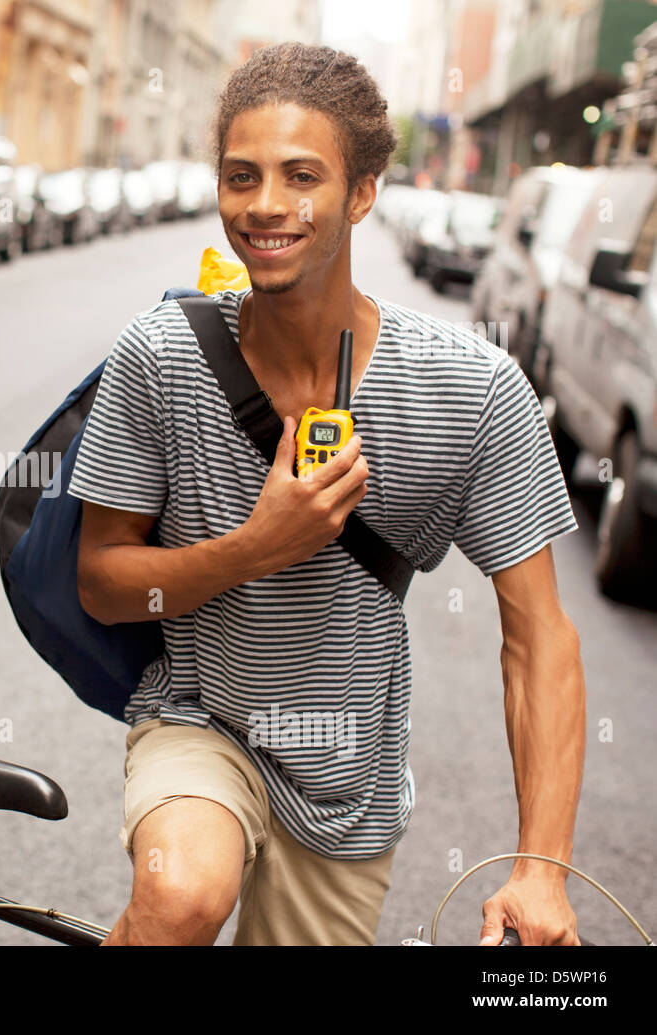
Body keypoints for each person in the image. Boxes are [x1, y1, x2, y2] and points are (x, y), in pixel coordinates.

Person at [69, 42, 585, 946]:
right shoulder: (160, 354)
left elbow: (538, 636)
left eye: (301, 176)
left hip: (349, 779)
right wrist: (256, 546)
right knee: (183, 893)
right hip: (198, 715)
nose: (266, 205)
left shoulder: (473, 389)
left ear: (361, 193)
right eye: (242, 176)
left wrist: (541, 868)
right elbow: (102, 580)